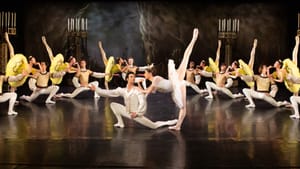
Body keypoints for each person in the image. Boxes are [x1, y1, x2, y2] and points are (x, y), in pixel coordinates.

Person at [141, 28, 199, 131]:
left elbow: (148, 91)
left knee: (185, 58)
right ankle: (178, 126)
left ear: (150, 73)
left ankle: (193, 39)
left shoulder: (156, 79)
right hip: (177, 84)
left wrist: (141, 95)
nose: (143, 75)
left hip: (175, 81)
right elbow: (150, 90)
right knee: (183, 106)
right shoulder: (154, 81)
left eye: (145, 73)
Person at [92, 72, 178, 129]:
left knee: (154, 126)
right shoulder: (123, 90)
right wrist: (96, 89)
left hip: (136, 115)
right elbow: (108, 93)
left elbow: (143, 102)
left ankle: (169, 122)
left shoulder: (137, 90)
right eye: (131, 76)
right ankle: (120, 123)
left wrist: (137, 113)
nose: (133, 78)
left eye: (134, 77)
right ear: (127, 79)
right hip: (127, 112)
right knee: (113, 105)